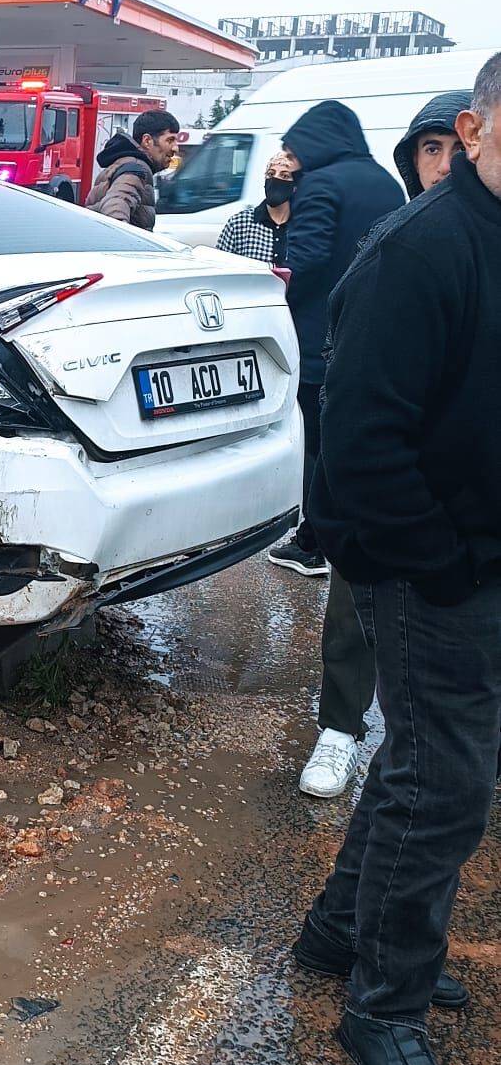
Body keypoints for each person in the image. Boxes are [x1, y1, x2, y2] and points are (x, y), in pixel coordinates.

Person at [293, 54, 501, 1065]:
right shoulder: (419, 250)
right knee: (449, 785)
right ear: (474, 126)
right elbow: (360, 445)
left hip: (473, 557)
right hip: (422, 570)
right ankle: (385, 1005)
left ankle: (341, 933)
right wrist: (445, 560)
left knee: (424, 759)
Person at [298, 91, 471, 798]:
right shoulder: (392, 241)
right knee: (357, 607)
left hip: (470, 485)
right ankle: (340, 729)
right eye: (430, 150)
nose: (443, 166)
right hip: (385, 474)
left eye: (456, 149)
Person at [265, 101, 404, 577]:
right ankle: (342, 532)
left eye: (295, 148)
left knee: (316, 442)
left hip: (319, 331)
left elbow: (308, 257)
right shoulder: (386, 181)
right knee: (349, 434)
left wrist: (276, 291)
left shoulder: (322, 183)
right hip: (375, 326)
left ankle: (313, 542)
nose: (293, 159)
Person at [85, 109, 180, 230]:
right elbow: (114, 211)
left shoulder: (128, 163)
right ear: (147, 141)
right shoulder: (136, 170)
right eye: (170, 140)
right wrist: (122, 243)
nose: (175, 148)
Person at [214, 149, 301, 266]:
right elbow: (218, 267)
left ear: (295, 185)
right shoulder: (240, 223)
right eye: (271, 174)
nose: (275, 179)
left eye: (284, 176)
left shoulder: (303, 226)